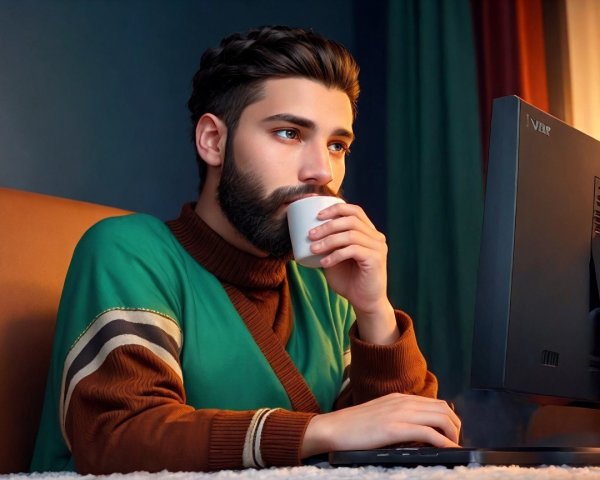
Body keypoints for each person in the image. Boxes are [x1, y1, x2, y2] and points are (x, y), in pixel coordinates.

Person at [31, 25, 460, 474]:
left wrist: (374, 311)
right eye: (289, 133)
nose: (321, 171)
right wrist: (325, 430)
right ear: (213, 141)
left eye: (337, 145)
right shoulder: (130, 251)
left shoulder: (328, 285)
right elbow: (120, 435)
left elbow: (415, 448)